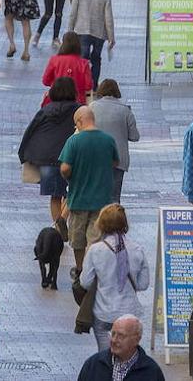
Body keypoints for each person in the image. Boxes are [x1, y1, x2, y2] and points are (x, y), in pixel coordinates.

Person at [79, 204, 150, 351]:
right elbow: (143, 284)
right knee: (127, 354)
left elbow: (85, 282)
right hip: (129, 311)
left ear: (101, 224)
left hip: (103, 312)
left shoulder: (95, 250)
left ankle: (108, 369)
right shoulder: (137, 249)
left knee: (105, 356)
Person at [60, 105, 118, 277]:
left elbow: (64, 168)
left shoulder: (74, 141)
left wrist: (70, 175)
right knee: (95, 237)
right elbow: (115, 162)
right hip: (102, 199)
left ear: (79, 121)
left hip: (79, 198)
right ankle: (93, 269)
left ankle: (79, 269)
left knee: (77, 238)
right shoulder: (108, 140)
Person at [19, 76, 80, 232]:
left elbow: (30, 131)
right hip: (72, 158)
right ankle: (63, 221)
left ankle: (58, 227)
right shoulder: (78, 110)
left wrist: (22, 154)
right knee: (73, 192)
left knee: (55, 195)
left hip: (47, 158)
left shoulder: (45, 111)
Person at [88, 79, 138, 204]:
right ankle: (113, 221)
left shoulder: (92, 107)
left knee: (96, 194)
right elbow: (134, 136)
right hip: (118, 159)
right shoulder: (125, 110)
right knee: (114, 197)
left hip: (95, 157)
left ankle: (97, 221)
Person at [76, 315, 164, 380]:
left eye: (121, 336)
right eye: (113, 334)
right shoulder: (93, 364)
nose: (114, 340)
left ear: (136, 339)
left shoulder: (151, 371)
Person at [68, 0, 115, 86]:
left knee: (83, 58)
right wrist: (111, 37)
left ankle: (81, 82)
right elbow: (108, 17)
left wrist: (70, 30)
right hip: (99, 32)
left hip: (81, 29)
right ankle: (94, 84)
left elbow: (73, 13)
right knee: (96, 58)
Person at [43, 32, 94, 104]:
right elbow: (88, 86)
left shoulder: (54, 60)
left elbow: (45, 81)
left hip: (56, 100)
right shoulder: (84, 63)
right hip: (77, 102)